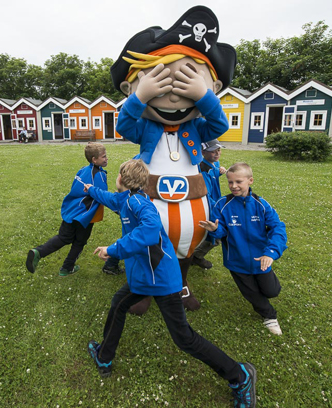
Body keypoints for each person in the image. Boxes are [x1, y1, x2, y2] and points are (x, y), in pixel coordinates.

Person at [84, 159, 257, 408]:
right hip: (143, 278)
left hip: (161, 280)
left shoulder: (141, 205)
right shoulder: (126, 199)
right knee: (118, 305)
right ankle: (103, 356)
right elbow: (110, 198)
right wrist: (91, 190)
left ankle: (240, 376)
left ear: (120, 178)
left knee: (184, 338)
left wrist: (113, 249)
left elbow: (149, 231)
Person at [110, 5, 237, 314]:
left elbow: (220, 125)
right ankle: (143, 290)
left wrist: (203, 95)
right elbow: (123, 125)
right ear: (130, 87)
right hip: (149, 196)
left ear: (215, 88)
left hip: (191, 198)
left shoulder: (196, 126)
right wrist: (140, 97)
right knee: (145, 241)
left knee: (185, 245)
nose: (174, 97)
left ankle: (180, 284)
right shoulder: (145, 126)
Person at [199, 162, 288, 335]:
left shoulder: (261, 205)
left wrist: (270, 253)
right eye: (230, 182)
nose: (234, 186)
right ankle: (269, 316)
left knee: (272, 291)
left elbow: (278, 228)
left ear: (250, 181)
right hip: (237, 261)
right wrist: (216, 230)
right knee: (252, 293)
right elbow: (222, 230)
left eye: (239, 182)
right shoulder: (222, 204)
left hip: (261, 259)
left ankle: (268, 282)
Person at [25, 142, 122, 276]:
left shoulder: (82, 170)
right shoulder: (99, 175)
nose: (106, 159)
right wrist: (119, 209)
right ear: (94, 159)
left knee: (63, 237)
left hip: (71, 211)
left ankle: (39, 252)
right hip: (85, 216)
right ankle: (67, 267)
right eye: (104, 157)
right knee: (80, 241)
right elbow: (102, 196)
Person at [192, 139, 226, 269]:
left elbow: (214, 174)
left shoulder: (214, 163)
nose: (217, 153)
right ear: (203, 152)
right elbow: (206, 195)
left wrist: (219, 172)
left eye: (219, 150)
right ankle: (194, 257)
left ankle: (194, 255)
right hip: (211, 206)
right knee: (215, 238)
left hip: (215, 203)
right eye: (213, 151)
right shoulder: (203, 170)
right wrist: (218, 207)